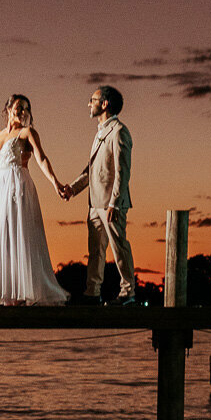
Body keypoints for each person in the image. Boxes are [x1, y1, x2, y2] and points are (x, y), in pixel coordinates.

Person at [0, 95, 69, 305]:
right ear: (9, 109)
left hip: (19, 186)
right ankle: (9, 292)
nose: (22, 112)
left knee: (21, 234)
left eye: (26, 109)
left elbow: (41, 158)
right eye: (19, 108)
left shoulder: (27, 133)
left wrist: (56, 183)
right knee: (5, 236)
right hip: (2, 191)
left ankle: (28, 291)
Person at [58, 85, 136, 304]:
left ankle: (128, 292)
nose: (89, 104)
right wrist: (73, 188)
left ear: (104, 104)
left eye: (92, 99)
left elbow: (122, 171)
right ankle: (92, 292)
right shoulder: (100, 133)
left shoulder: (119, 131)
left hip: (112, 204)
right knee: (95, 252)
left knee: (119, 248)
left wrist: (115, 204)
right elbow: (92, 169)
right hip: (94, 204)